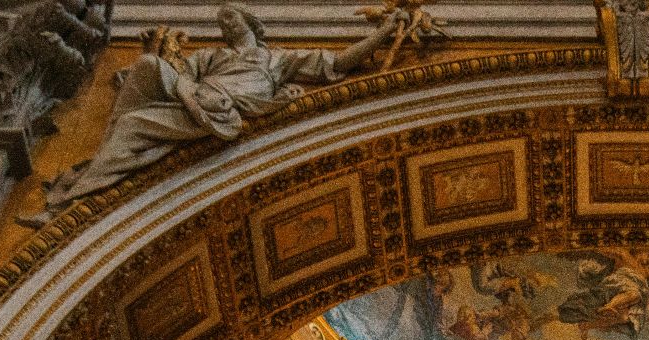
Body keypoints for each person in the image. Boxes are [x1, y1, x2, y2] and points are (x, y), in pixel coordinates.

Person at [40, 4, 400, 213]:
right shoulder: (213, 56)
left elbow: (337, 64)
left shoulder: (276, 59)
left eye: (232, 18)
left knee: (133, 124)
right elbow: (181, 76)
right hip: (195, 98)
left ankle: (75, 197)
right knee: (146, 70)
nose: (225, 24)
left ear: (251, 24)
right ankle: (85, 185)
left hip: (226, 109)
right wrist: (157, 51)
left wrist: (383, 33)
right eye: (222, 21)